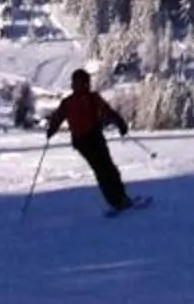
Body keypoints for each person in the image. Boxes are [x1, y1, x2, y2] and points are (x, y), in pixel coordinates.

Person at [41, 67, 132, 213]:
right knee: (106, 169)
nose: (86, 85)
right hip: (90, 139)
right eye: (85, 82)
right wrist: (120, 123)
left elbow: (57, 118)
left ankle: (119, 199)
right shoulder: (88, 98)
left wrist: (51, 131)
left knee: (104, 170)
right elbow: (108, 111)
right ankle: (118, 200)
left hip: (85, 140)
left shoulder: (71, 101)